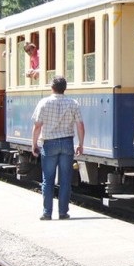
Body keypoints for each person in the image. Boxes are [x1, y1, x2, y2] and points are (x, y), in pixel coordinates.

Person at [30, 75, 84, 220]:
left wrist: (34, 143)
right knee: (65, 179)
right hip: (67, 143)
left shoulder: (44, 102)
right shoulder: (73, 103)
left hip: (49, 144)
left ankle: (47, 213)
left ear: (52, 87)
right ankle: (63, 212)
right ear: (64, 88)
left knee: (48, 179)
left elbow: (37, 126)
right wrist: (80, 144)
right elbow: (80, 125)